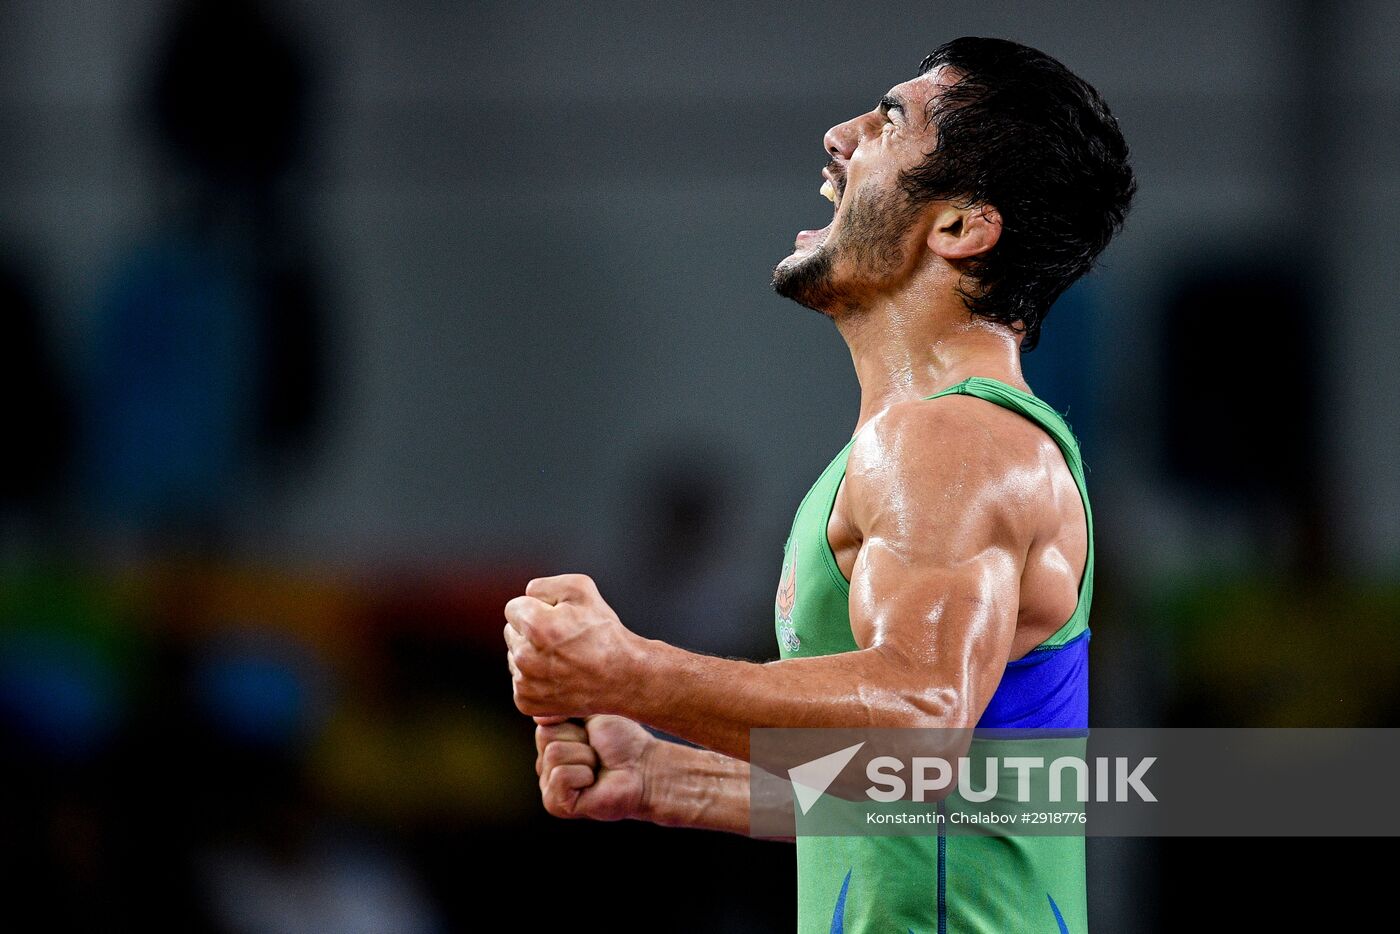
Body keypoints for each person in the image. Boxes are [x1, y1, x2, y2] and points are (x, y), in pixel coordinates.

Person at [505, 36, 1134, 932]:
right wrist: (674, 777)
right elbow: (932, 792)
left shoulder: (956, 440)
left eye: (888, 121)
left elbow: (917, 725)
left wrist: (631, 671)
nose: (839, 136)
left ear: (959, 226)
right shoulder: (933, 442)